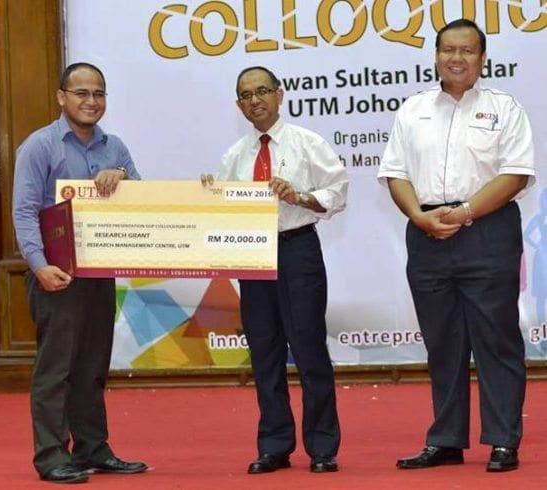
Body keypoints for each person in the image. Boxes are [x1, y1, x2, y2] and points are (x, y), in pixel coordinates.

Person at [378, 19, 534, 472]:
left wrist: (465, 212)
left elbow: (515, 173)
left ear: (482, 59)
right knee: (441, 343)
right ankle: (446, 438)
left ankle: (503, 439)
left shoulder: (505, 108)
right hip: (426, 231)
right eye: (448, 50)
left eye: (467, 51)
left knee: (496, 339)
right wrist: (417, 215)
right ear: (436, 56)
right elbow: (396, 173)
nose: (457, 59)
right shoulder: (412, 109)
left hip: (486, 231)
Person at [203, 66, 348, 474]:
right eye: (246, 95)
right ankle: (274, 445)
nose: (255, 101)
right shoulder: (235, 155)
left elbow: (337, 193)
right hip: (251, 255)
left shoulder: (307, 143)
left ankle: (322, 446)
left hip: (297, 248)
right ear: (238, 104)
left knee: (309, 348)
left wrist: (300, 195)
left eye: (262, 91)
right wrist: (207, 194)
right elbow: (222, 210)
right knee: (264, 351)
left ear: (280, 95)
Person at [12, 62, 148, 484]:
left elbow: (144, 199)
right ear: (61, 97)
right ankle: (52, 455)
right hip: (57, 275)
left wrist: (122, 177)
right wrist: (40, 266)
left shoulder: (115, 147)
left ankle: (93, 449)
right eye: (81, 93)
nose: (91, 102)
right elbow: (23, 211)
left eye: (99, 94)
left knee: (91, 366)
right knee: (56, 370)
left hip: (99, 273)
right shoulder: (39, 146)